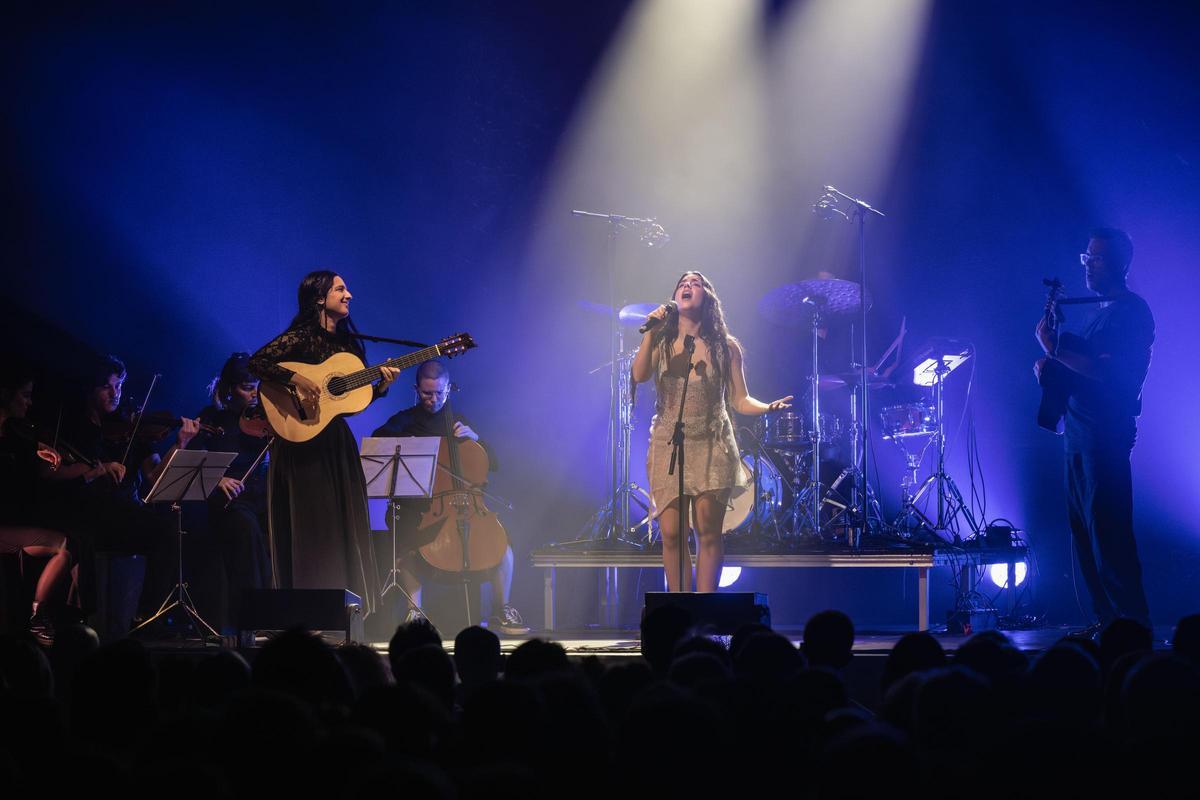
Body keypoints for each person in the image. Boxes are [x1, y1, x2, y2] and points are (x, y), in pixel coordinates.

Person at [632, 271, 793, 592]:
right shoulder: (662, 342)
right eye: (681, 283)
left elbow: (740, 399)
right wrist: (650, 332)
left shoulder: (725, 348)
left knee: (707, 532)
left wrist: (766, 408)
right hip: (669, 443)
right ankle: (678, 608)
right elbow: (639, 374)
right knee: (672, 533)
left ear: (708, 297)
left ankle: (704, 610)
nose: (687, 287)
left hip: (712, 443)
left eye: (695, 283)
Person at [249, 271, 397, 614]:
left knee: (341, 526)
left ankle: (343, 611)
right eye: (340, 289)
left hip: (333, 443)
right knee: (311, 527)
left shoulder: (347, 345)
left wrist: (381, 387)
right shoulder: (299, 338)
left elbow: (348, 402)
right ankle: (306, 612)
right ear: (319, 298)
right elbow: (257, 362)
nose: (349, 295)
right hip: (300, 442)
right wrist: (297, 377)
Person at [1034, 227, 1153, 634]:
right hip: (1079, 436)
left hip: (1104, 434)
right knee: (1084, 531)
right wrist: (1051, 370)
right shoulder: (1098, 313)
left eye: (1098, 258)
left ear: (1121, 263)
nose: (1089, 265)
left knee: (1109, 532)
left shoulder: (1131, 311)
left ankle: (1132, 627)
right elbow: (1078, 371)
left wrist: (1055, 351)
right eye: (1087, 257)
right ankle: (1108, 621)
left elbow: (1108, 373)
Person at [372, 359, 529, 635]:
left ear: (448, 389)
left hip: (465, 505)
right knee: (407, 537)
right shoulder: (404, 420)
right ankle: (414, 612)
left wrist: (476, 438)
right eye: (427, 393)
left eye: (439, 393)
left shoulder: (459, 422)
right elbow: (378, 443)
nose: (433, 400)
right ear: (416, 389)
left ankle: (501, 608)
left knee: (503, 544)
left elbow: (492, 463)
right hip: (422, 507)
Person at [181, 353, 273, 632]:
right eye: (247, 387)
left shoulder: (266, 420)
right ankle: (250, 617)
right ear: (229, 390)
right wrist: (218, 478)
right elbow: (194, 459)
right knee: (245, 527)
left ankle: (283, 612)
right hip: (227, 503)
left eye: (258, 386)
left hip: (260, 497)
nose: (255, 393)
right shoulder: (211, 419)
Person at [0, 363, 77, 644]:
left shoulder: (14, 435)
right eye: (25, 395)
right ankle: (36, 618)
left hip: (7, 523)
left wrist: (36, 448)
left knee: (63, 547)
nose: (30, 402)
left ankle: (37, 615)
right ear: (6, 394)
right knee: (60, 545)